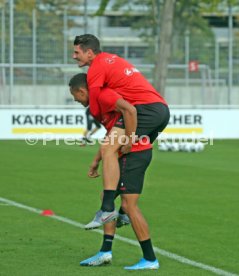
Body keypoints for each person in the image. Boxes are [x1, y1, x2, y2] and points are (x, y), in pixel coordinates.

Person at [72, 34, 170, 231]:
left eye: (77, 52)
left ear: (90, 53)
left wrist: (100, 117)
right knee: (125, 151)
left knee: (110, 148)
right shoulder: (111, 59)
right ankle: (124, 213)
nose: (74, 56)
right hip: (161, 110)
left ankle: (107, 207)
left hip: (145, 109)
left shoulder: (96, 69)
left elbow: (98, 101)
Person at [69, 73, 164, 270]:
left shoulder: (108, 98)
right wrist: (96, 160)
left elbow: (131, 115)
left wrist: (128, 143)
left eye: (75, 95)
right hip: (131, 153)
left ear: (81, 90)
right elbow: (112, 138)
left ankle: (149, 258)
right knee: (108, 196)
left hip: (133, 154)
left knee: (129, 205)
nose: (75, 100)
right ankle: (106, 249)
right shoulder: (101, 105)